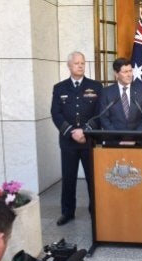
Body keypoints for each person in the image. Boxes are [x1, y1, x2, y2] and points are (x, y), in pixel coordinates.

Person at [50, 51, 103, 226]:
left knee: (92, 178)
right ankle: (67, 212)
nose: (80, 66)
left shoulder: (96, 86)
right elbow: (55, 113)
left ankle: (95, 210)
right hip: (68, 142)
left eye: (82, 63)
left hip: (89, 141)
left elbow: (99, 113)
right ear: (69, 65)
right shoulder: (59, 88)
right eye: (76, 63)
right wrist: (72, 131)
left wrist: (86, 131)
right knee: (69, 178)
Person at [98, 58, 142, 131]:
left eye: (130, 71)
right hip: (115, 140)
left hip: (138, 139)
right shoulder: (106, 92)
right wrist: (118, 137)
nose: (129, 75)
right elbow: (104, 118)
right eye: (125, 72)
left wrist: (135, 137)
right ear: (116, 74)